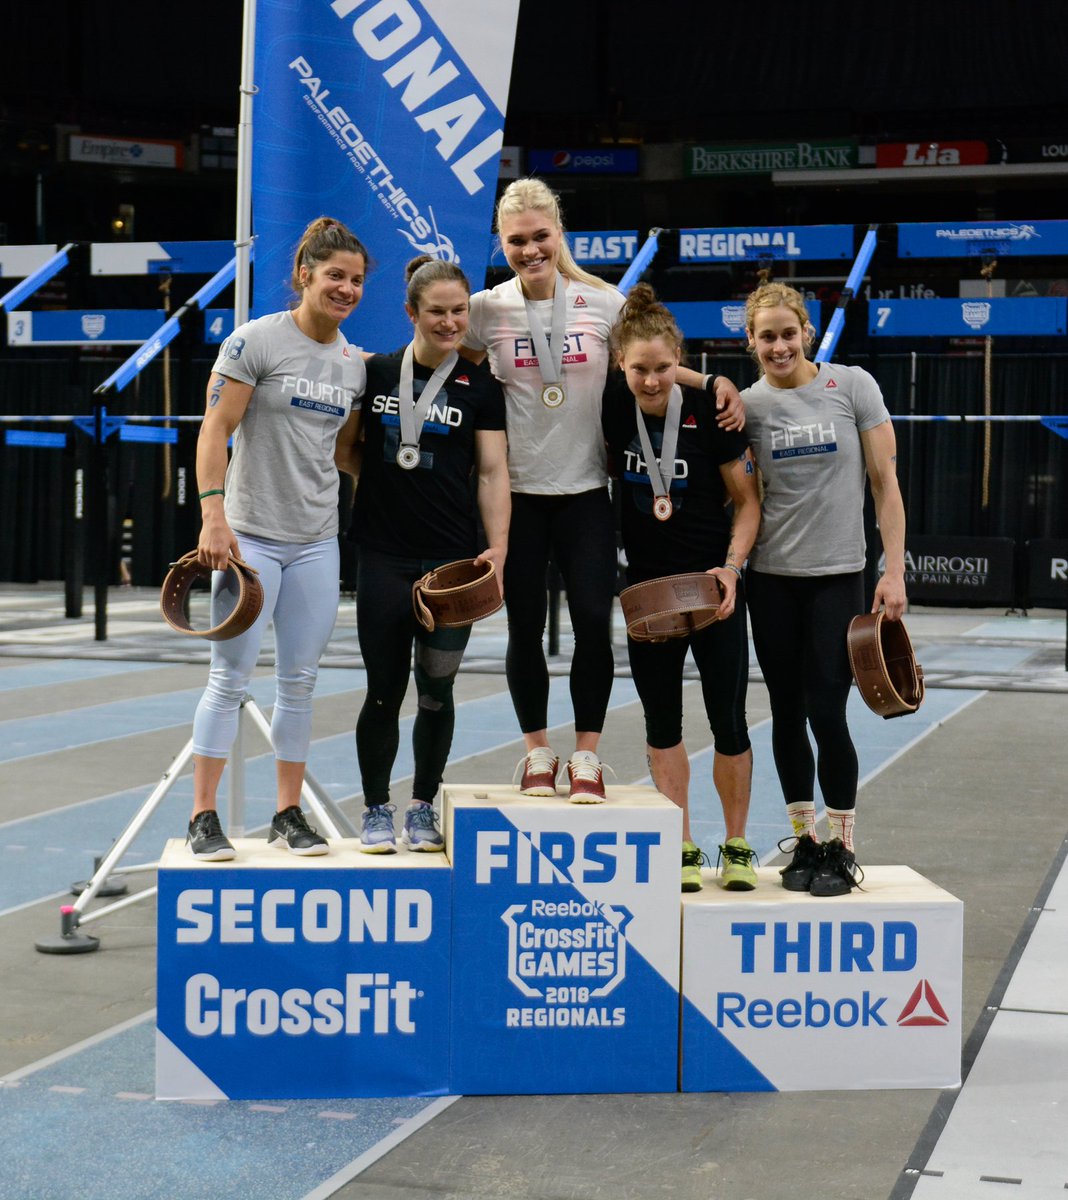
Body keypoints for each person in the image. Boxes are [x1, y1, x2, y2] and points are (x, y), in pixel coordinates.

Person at [462, 177, 743, 802]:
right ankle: (537, 753)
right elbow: (442, 354)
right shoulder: (486, 310)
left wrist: (711, 382)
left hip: (588, 490)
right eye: (516, 241)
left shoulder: (604, 303)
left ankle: (586, 756)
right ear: (501, 244)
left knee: (594, 622)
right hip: (520, 495)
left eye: (541, 237)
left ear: (559, 233)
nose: (530, 250)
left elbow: (652, 357)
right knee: (524, 627)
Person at [187, 216, 369, 860]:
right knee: (228, 678)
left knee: (300, 681)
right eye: (334, 277)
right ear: (304, 276)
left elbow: (347, 454)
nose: (346, 289)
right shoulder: (254, 343)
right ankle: (202, 816)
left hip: (318, 540)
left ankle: (287, 814)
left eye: (355, 280)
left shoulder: (354, 366)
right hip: (250, 539)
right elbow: (214, 432)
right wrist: (215, 515)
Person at [742, 280, 907, 897]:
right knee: (784, 713)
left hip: (839, 577)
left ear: (807, 333)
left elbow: (885, 484)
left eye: (788, 333)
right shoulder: (749, 407)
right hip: (772, 582)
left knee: (826, 711)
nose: (779, 346)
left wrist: (893, 571)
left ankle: (842, 847)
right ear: (751, 342)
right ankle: (804, 842)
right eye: (767, 337)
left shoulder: (853, 386)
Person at [340, 256, 509, 853]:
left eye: (459, 311)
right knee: (383, 690)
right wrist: (387, 489)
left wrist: (499, 550)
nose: (449, 322)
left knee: (437, 691)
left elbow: (492, 472)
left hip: (450, 564)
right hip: (383, 555)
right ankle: (376, 809)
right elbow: (346, 450)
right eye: (436, 311)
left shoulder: (482, 387)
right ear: (411, 312)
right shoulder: (378, 373)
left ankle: (421, 807)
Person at [606, 285, 761, 891]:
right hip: (649, 594)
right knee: (661, 719)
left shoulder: (712, 415)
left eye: (664, 368)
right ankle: (684, 843)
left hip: (714, 588)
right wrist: (707, 377)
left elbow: (749, 503)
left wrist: (732, 568)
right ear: (620, 364)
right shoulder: (611, 406)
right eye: (639, 369)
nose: (651, 381)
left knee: (729, 719)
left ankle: (738, 843)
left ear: (680, 361)